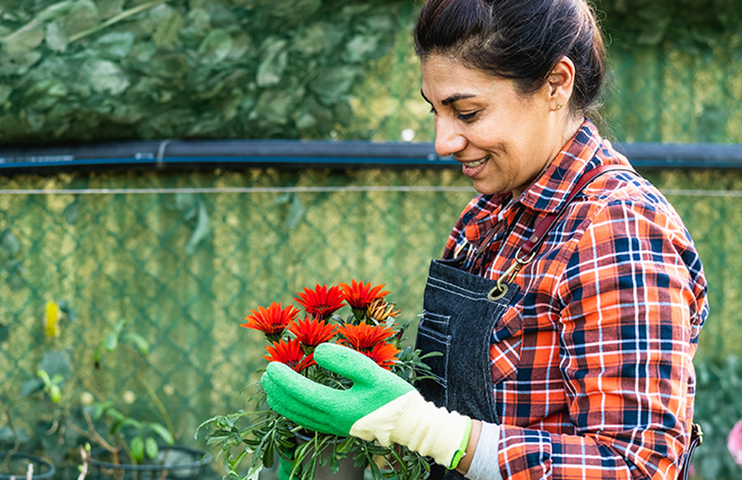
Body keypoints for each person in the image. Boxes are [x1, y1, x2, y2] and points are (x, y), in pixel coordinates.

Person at [261, 0, 709, 479]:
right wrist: (364, 430)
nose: (443, 141)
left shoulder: (617, 229)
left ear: (556, 84)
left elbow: (636, 466)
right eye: (435, 111)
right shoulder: (486, 216)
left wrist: (424, 429)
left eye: (467, 112)